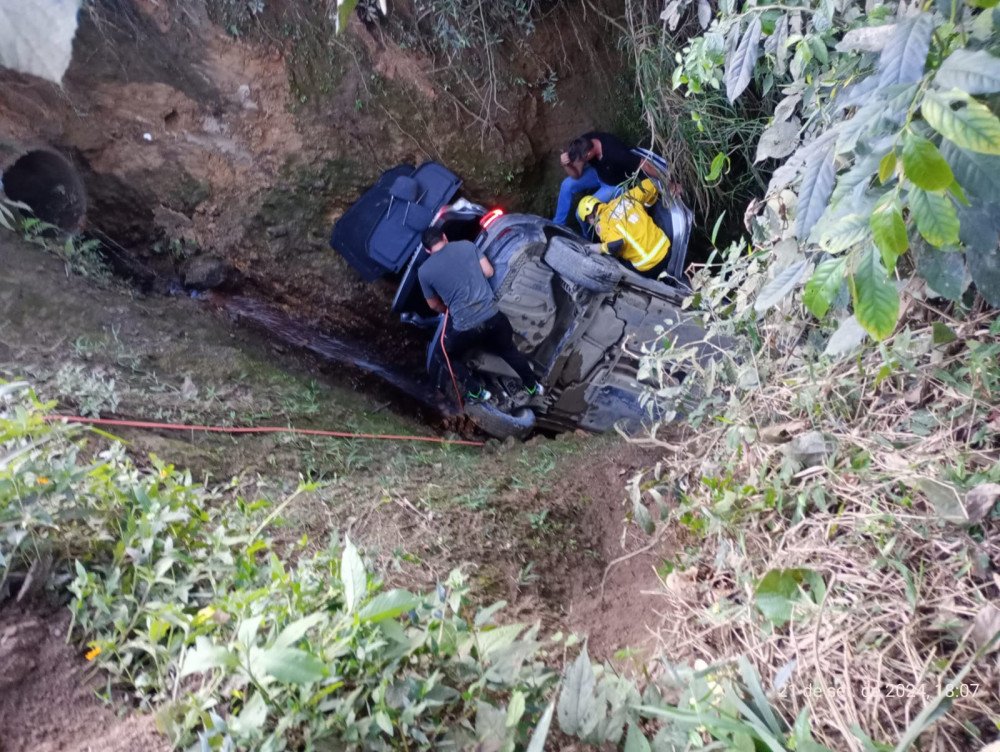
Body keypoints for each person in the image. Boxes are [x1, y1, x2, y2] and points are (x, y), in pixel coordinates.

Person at [419, 226, 543, 404]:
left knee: (445, 354)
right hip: (493, 317)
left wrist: (447, 309)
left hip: (465, 327)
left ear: (426, 250)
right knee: (508, 350)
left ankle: (477, 392)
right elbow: (489, 272)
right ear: (444, 237)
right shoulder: (467, 246)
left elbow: (433, 305)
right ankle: (532, 386)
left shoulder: (424, 272)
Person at [576, 178, 672, 279]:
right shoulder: (625, 198)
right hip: (667, 249)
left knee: (620, 269)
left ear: (590, 216)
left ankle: (659, 281)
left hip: (650, 265)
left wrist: (600, 248)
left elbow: (616, 244)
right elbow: (651, 183)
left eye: (588, 221)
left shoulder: (602, 224)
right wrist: (646, 206)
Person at [553, 132, 653, 227]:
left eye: (582, 161)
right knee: (567, 185)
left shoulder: (616, 153)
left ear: (588, 155)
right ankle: (557, 226)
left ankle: (585, 239)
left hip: (614, 185)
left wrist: (667, 183)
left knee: (580, 214)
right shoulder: (584, 143)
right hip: (599, 172)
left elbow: (645, 164)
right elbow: (577, 175)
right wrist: (566, 165)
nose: (582, 163)